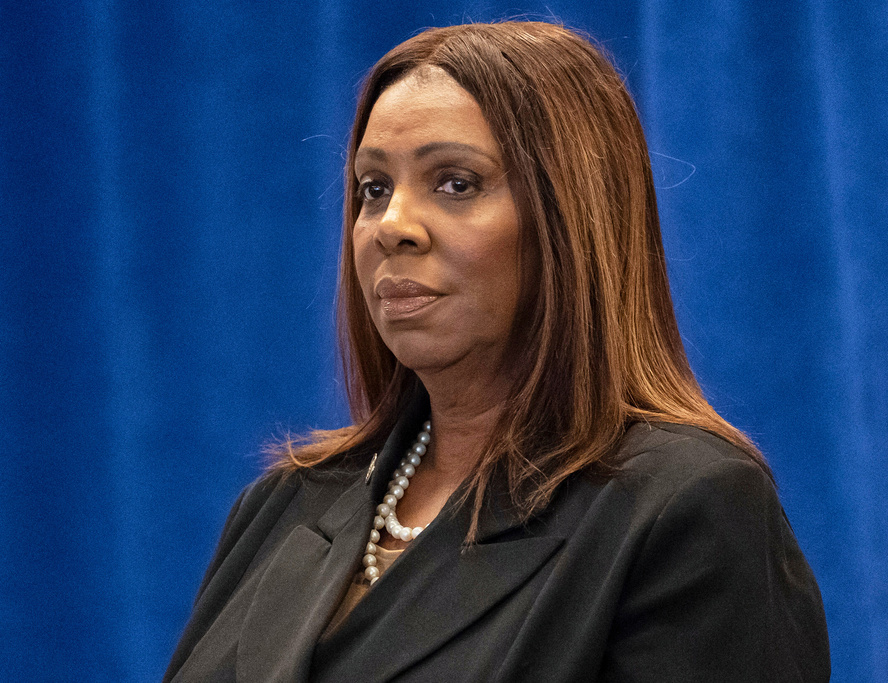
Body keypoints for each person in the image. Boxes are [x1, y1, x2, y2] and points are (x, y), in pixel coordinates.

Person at [163, 21, 830, 682]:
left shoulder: (685, 508)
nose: (391, 226)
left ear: (568, 219)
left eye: (455, 182)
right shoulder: (281, 505)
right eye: (373, 188)